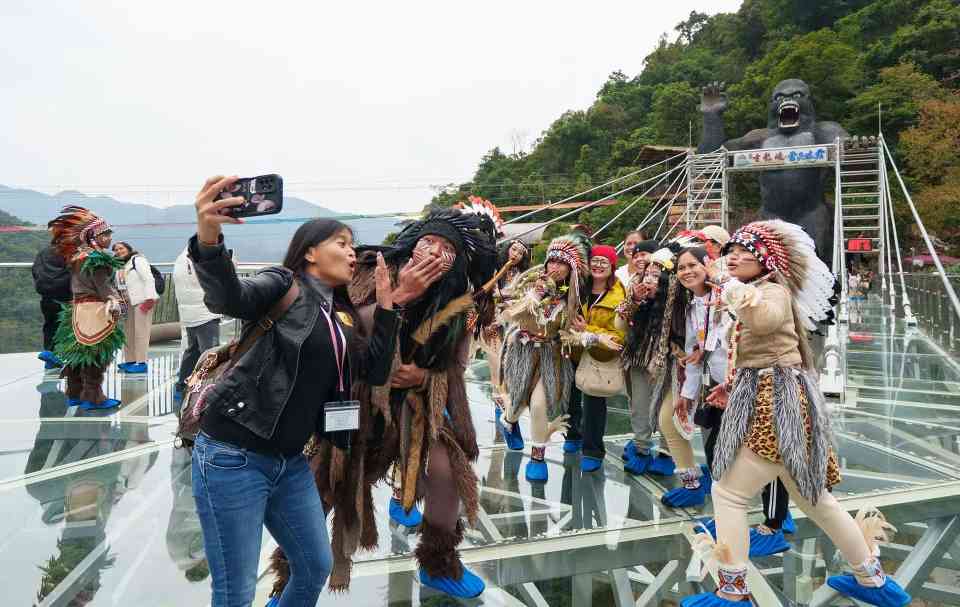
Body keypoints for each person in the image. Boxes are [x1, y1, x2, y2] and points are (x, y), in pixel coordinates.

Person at [187, 175, 403, 607]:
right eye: (341, 243)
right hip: (233, 455)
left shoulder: (339, 316)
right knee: (235, 592)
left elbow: (375, 370)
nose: (352, 253)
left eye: (353, 245)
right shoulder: (282, 284)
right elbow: (229, 297)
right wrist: (209, 238)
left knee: (315, 566)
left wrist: (386, 305)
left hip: (289, 461)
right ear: (309, 252)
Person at [267, 206, 499, 600]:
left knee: (446, 471)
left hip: (418, 408)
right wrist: (401, 295)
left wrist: (423, 376)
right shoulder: (369, 271)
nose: (434, 251)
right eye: (428, 241)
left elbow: (456, 365)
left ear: (457, 262)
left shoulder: (460, 303)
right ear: (412, 245)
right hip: (357, 401)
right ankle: (288, 578)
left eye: (446, 249)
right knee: (328, 483)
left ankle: (439, 563)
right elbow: (344, 329)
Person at [682, 220, 909, 607]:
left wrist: (728, 284)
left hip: (777, 405)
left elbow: (764, 321)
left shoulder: (771, 291)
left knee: (729, 493)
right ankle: (873, 580)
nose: (732, 257)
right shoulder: (761, 290)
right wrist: (733, 385)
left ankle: (733, 591)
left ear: (767, 260)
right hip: (779, 400)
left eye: (745, 251)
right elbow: (768, 347)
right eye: (730, 250)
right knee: (815, 500)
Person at [498, 230, 591, 481]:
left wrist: (584, 334)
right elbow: (513, 314)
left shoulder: (574, 295)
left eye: (562, 263)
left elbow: (572, 331)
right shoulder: (529, 282)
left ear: (571, 269)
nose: (555, 267)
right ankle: (508, 420)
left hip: (552, 356)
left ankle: (537, 457)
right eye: (552, 261)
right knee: (517, 403)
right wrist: (536, 294)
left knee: (539, 405)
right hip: (523, 352)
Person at [48, 206, 125, 410]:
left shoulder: (77, 256)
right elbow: (104, 287)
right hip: (96, 310)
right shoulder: (97, 259)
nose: (109, 238)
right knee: (96, 354)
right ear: (93, 236)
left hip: (77, 310)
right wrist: (117, 302)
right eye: (105, 234)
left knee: (78, 354)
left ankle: (74, 393)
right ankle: (93, 397)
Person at [617, 248, 682, 477]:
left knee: (666, 410)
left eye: (656, 276)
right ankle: (641, 448)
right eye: (647, 275)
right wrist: (634, 300)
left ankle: (666, 452)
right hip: (638, 357)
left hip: (669, 362)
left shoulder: (679, 301)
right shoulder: (636, 295)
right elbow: (619, 325)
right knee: (639, 405)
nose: (649, 280)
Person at [565, 244, 625, 472]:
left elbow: (618, 335)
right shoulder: (577, 286)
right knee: (570, 396)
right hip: (573, 350)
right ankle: (572, 434)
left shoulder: (618, 295)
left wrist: (588, 330)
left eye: (604, 262)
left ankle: (593, 450)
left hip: (599, 355)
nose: (598, 265)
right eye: (595, 261)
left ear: (612, 266)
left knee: (594, 402)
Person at [172, 245, 222, 405]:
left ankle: (181, 386)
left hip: (190, 314)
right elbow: (214, 280)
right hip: (205, 312)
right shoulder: (199, 258)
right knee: (210, 354)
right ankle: (207, 390)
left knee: (192, 351)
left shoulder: (181, 259)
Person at [111, 242, 158, 374]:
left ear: (128, 249)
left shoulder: (137, 260)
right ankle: (130, 360)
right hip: (128, 303)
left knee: (141, 332)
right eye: (116, 250)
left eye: (121, 248)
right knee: (128, 332)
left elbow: (148, 279)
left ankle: (141, 363)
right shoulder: (120, 266)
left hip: (142, 301)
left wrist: (150, 299)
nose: (118, 251)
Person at [32, 239, 72, 369]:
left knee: (50, 324)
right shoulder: (67, 252)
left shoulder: (42, 253)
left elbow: (35, 271)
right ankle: (65, 357)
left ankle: (50, 355)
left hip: (46, 296)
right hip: (65, 296)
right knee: (68, 326)